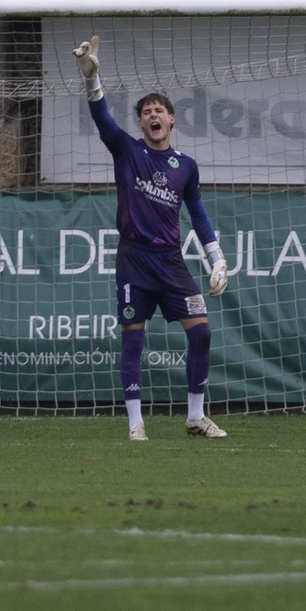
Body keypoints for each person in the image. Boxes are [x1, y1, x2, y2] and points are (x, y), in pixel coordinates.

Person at [73, 34, 229, 441]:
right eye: (146, 112)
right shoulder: (126, 150)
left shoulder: (186, 166)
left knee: (202, 332)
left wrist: (217, 259)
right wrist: (93, 80)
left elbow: (197, 214)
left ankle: (195, 417)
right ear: (141, 122)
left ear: (172, 119)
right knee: (133, 340)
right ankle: (135, 423)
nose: (153, 115)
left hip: (172, 263)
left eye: (160, 109)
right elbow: (104, 119)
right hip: (135, 261)